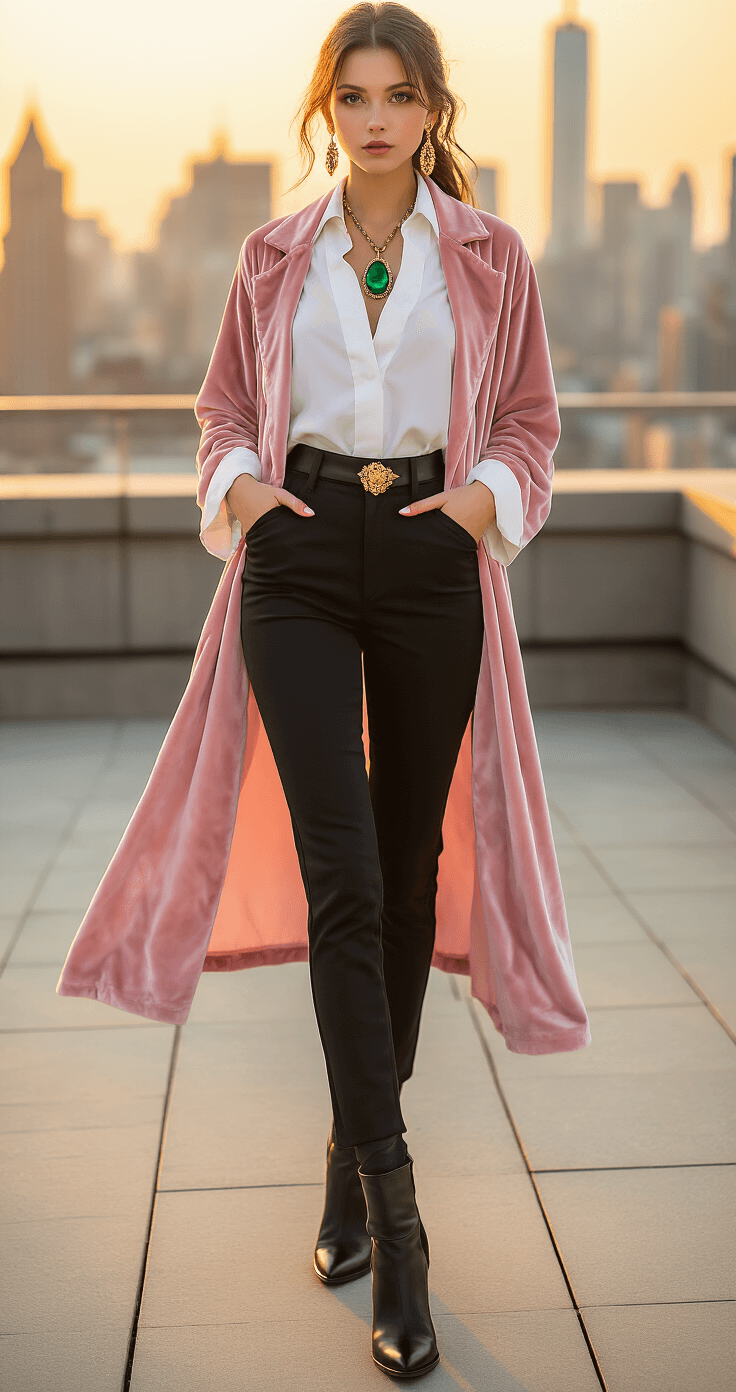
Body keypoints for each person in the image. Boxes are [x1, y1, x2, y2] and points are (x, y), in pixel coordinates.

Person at [58, 2, 590, 1379]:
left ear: (431, 112)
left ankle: (347, 1167)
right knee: (344, 875)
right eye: (351, 94)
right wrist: (239, 491)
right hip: (294, 562)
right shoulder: (268, 254)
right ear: (326, 108)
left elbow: (531, 417)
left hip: (429, 556)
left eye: (398, 94)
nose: (373, 117)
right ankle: (400, 1230)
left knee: (408, 876)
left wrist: (486, 498)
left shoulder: (488, 256)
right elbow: (225, 406)